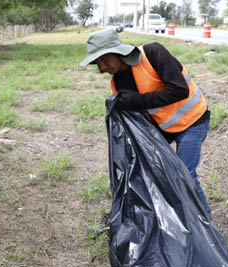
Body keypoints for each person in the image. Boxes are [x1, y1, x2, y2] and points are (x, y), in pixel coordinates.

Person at [81, 28, 212, 216]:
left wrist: (137, 100)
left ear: (117, 52)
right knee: (154, 174)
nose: (101, 67)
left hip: (193, 121)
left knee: (184, 176)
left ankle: (205, 227)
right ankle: (174, 219)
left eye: (103, 59)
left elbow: (179, 90)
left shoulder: (153, 53)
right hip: (164, 130)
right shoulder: (117, 84)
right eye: (96, 62)